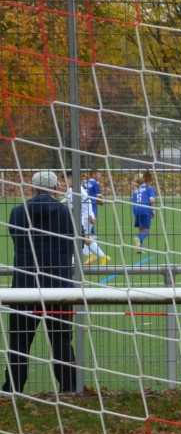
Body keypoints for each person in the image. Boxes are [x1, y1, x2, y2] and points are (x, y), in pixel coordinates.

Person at [5, 170, 80, 397]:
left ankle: (13, 390)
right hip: (58, 287)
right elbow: (75, 241)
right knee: (61, 341)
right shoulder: (66, 214)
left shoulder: (18, 213)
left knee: (19, 342)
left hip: (25, 287)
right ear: (56, 188)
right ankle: (69, 388)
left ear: (32, 188)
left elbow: (16, 238)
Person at [79, 175, 105, 266]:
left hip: (84, 213)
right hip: (89, 210)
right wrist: (102, 201)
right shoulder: (95, 183)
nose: (100, 175)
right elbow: (98, 197)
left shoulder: (84, 183)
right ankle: (100, 255)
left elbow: (87, 199)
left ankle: (94, 255)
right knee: (82, 236)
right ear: (94, 174)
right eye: (99, 173)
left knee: (80, 236)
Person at [130, 172, 157, 247]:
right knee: (146, 230)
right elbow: (151, 200)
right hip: (145, 209)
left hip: (136, 209)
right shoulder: (149, 188)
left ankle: (140, 248)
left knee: (140, 229)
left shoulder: (136, 190)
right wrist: (153, 210)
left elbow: (133, 202)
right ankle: (138, 238)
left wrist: (135, 214)